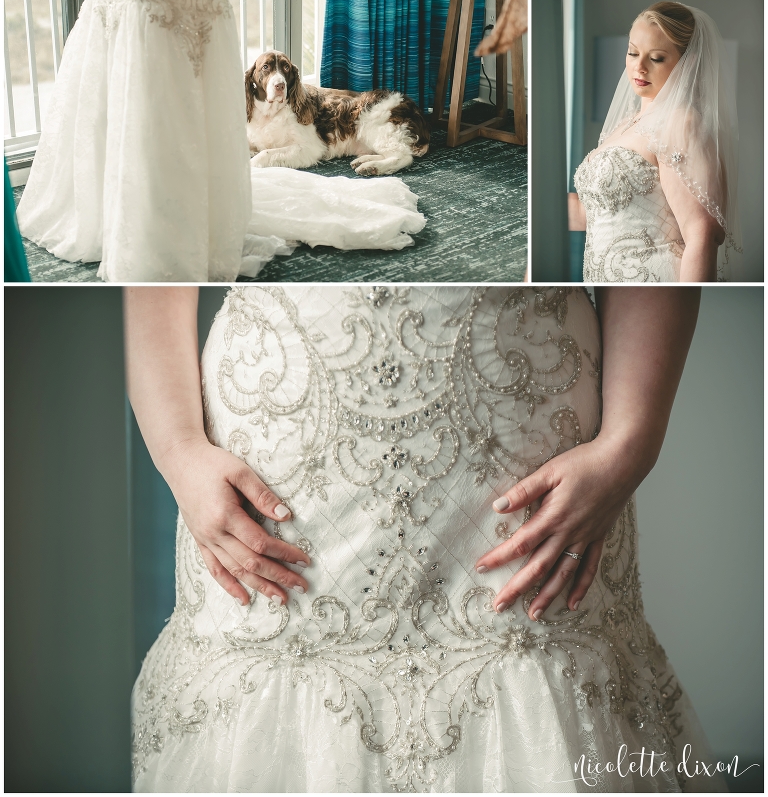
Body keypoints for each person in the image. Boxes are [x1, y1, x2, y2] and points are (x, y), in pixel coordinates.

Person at [128, 283, 725, 794]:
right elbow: (151, 282)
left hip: (524, 446)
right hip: (284, 458)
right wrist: (178, 450)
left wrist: (631, 442)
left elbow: (646, 261)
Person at [16, 0, 425, 282]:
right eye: (269, 71)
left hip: (360, 121)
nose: (277, 79)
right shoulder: (253, 105)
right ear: (256, 80)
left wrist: (260, 159)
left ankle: (394, 157)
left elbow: (310, 150)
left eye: (283, 72)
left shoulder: (298, 104)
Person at [570, 2, 740, 282]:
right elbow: (595, 212)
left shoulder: (680, 122)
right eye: (632, 52)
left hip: (654, 282)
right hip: (606, 282)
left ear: (688, 62)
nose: (639, 67)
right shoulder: (625, 124)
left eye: (657, 58)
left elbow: (702, 233)